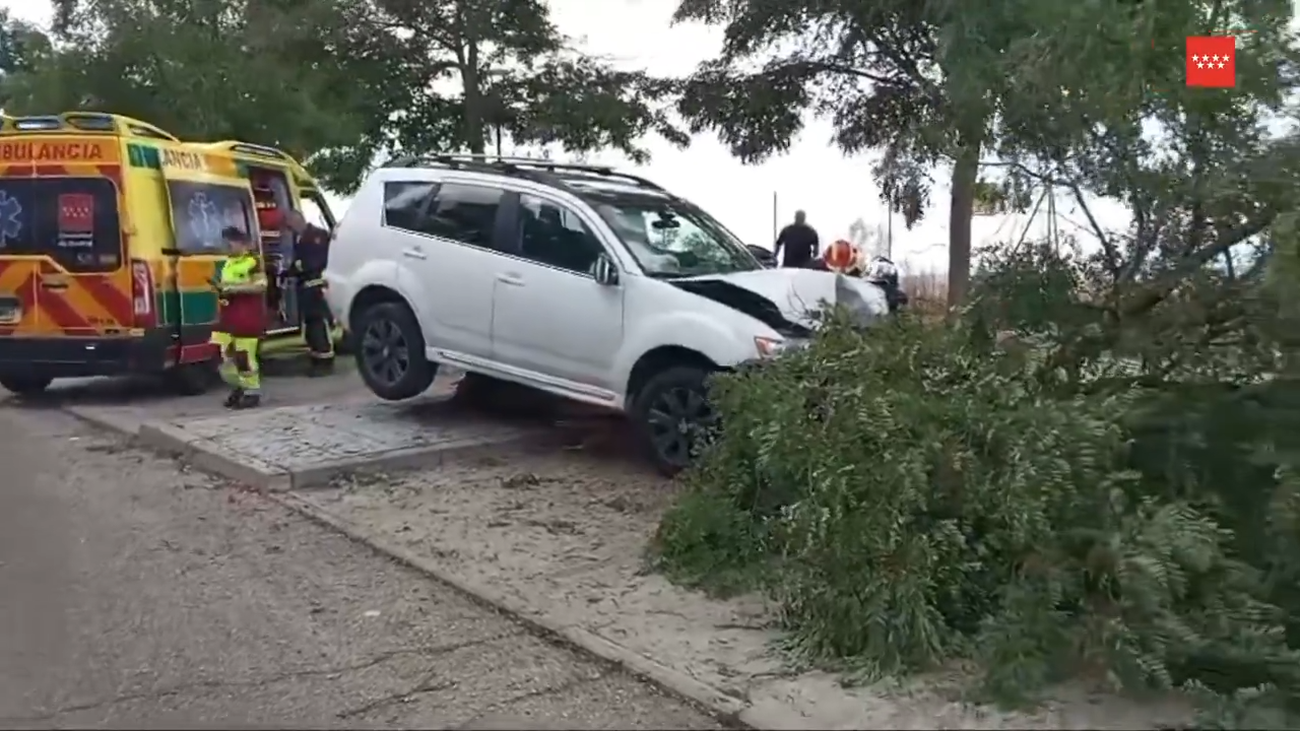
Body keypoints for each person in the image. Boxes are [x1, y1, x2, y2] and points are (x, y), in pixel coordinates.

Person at [210, 227, 268, 409]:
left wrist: (235, 289)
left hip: (247, 316)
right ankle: (239, 386)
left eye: (229, 242)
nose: (226, 246)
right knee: (223, 354)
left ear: (241, 243)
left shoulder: (253, 262)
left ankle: (251, 392)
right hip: (228, 315)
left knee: (244, 356)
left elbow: (261, 286)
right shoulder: (227, 263)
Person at [281, 210, 335, 375]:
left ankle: (325, 361)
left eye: (290, 224)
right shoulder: (301, 237)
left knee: (318, 324)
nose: (289, 229)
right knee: (311, 325)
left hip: (317, 285)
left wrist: (297, 269)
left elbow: (316, 262)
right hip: (306, 286)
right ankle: (317, 359)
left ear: (297, 220)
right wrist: (286, 273)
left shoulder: (317, 236)